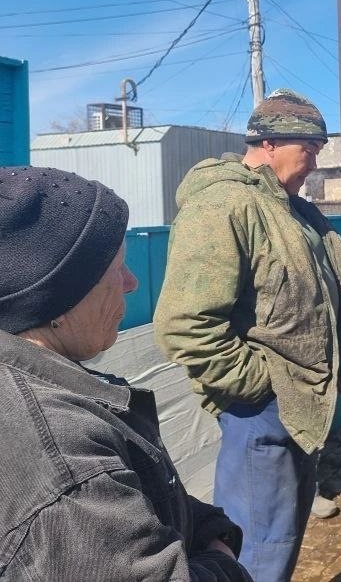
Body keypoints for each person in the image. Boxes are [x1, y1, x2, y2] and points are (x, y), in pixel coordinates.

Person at [0, 167, 251, 582]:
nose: (132, 283)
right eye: (117, 268)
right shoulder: (68, 470)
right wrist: (223, 561)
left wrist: (203, 526)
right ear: (59, 295)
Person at [154, 88, 341, 582]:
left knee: (282, 539)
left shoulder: (289, 207)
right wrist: (261, 385)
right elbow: (186, 325)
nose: (314, 161)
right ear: (268, 143)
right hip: (261, 413)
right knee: (256, 551)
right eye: (308, 149)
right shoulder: (225, 205)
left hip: (298, 406)